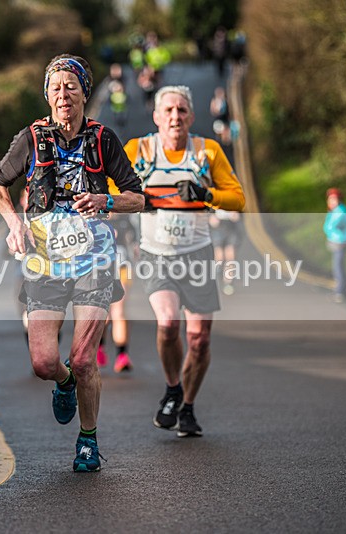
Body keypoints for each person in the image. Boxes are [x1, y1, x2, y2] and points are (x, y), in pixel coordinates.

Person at [0, 54, 145, 471]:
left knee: (85, 357)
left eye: (70, 87)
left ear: (83, 94)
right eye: (55, 87)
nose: (62, 94)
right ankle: (64, 383)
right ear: (47, 95)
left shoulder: (102, 139)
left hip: (94, 258)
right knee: (43, 362)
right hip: (44, 262)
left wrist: (105, 199)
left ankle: (88, 441)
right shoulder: (32, 138)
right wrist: (14, 224)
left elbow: (138, 197)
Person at [124, 85, 245, 438]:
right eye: (169, 111)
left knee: (200, 340)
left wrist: (207, 194)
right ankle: (172, 387)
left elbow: (237, 199)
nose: (175, 117)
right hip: (156, 254)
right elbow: (113, 190)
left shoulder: (207, 151)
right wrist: (139, 199)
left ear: (191, 117)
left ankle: (187, 407)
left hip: (198, 255)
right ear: (156, 117)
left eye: (181, 111)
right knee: (167, 323)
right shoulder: (140, 150)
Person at [97, 214, 138, 372]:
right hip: (100, 269)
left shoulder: (126, 220)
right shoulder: (94, 217)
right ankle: (99, 348)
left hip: (122, 268)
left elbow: (135, 245)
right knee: (104, 313)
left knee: (119, 311)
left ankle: (122, 355)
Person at [323, 188, 346, 303]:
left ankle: (340, 292)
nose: (331, 201)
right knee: (340, 267)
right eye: (330, 199)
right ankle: (344, 291)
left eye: (334, 199)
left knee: (338, 268)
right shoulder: (337, 210)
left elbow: (330, 226)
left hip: (340, 242)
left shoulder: (340, 211)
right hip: (338, 242)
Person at [210, 209, 242, 295]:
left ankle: (228, 283)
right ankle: (216, 277)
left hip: (231, 227)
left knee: (230, 256)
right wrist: (211, 216)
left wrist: (238, 214)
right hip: (218, 227)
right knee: (219, 257)